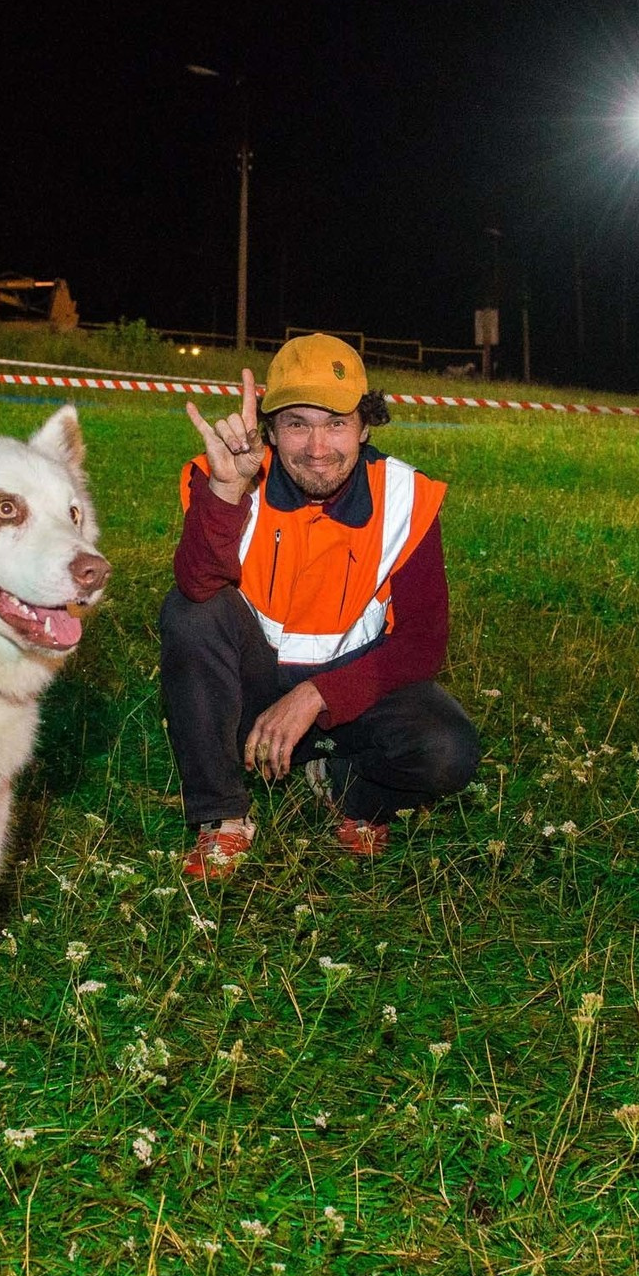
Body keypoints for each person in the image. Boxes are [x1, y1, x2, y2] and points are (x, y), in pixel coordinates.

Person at [161, 336, 480, 879]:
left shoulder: (405, 496)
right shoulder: (226, 477)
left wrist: (318, 695)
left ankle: (353, 790)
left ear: (365, 426)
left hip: (351, 697)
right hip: (248, 700)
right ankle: (222, 816)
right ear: (269, 430)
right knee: (191, 613)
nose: (316, 447)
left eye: (335, 423)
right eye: (296, 424)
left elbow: (422, 642)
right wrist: (227, 490)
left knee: (448, 750)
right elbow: (195, 589)